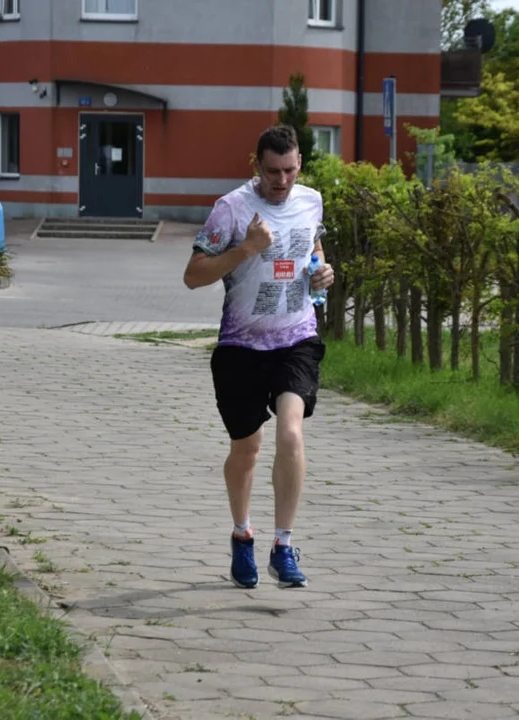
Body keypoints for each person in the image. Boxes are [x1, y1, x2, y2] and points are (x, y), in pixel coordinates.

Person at [182, 124, 335, 589]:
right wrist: (246, 249)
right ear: (257, 165)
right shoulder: (230, 209)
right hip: (240, 346)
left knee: (291, 432)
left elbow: (313, 248)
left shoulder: (312, 200)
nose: (282, 181)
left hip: (296, 339)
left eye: (289, 170)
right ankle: (242, 534)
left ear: (300, 165)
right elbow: (193, 275)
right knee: (246, 450)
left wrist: (321, 274)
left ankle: (283, 545)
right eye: (272, 172)